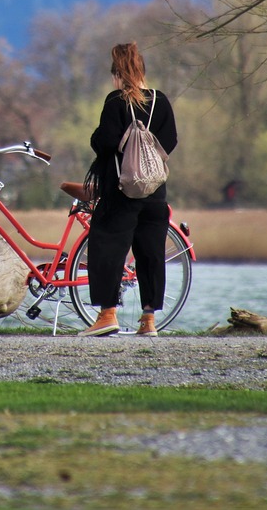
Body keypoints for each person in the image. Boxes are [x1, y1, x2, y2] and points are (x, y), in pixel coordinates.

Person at [80, 42, 177, 337]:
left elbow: (104, 142)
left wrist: (101, 138)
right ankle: (149, 321)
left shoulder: (116, 102)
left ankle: (108, 314)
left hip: (121, 191)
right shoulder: (161, 101)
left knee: (107, 246)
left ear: (117, 75)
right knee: (150, 253)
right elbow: (170, 141)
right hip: (154, 193)